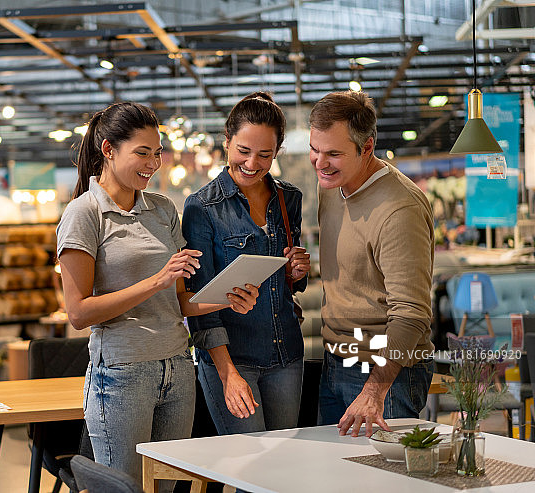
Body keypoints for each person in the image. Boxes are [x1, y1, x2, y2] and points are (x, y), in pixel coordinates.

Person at [56, 101, 259, 486]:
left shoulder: (163, 209)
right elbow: (79, 313)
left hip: (178, 368)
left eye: (157, 152)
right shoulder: (84, 214)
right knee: (125, 487)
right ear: (109, 150)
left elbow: (180, 301)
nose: (153, 163)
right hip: (121, 375)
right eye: (142, 153)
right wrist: (156, 279)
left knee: (169, 487)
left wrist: (227, 297)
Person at [182, 92, 311, 435]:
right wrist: (227, 373)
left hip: (286, 354)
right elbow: (200, 304)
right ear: (226, 142)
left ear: (277, 152)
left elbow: (287, 283)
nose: (252, 163)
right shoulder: (202, 209)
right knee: (250, 470)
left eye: (264, 154)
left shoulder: (289, 199)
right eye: (243, 151)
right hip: (232, 359)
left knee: (285, 465)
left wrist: (295, 273)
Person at [309, 91, 435, 437]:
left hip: (385, 375)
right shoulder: (331, 186)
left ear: (367, 148)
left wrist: (374, 391)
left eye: (333, 153)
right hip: (336, 360)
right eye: (315, 150)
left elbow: (411, 313)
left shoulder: (400, 209)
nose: (320, 163)